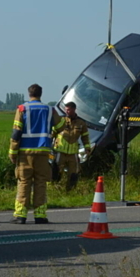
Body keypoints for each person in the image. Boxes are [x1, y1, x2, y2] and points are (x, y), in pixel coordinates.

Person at [8, 83, 61, 224]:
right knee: (41, 183)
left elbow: (16, 133)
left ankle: (20, 215)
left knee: (24, 183)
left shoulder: (22, 109)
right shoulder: (50, 110)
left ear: (29, 94)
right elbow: (61, 125)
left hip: (25, 153)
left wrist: (12, 153)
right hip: (43, 153)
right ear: (40, 94)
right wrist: (50, 131)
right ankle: (40, 215)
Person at [52, 101, 91, 191]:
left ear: (74, 109)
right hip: (60, 152)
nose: (67, 112)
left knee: (73, 173)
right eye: (66, 110)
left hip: (73, 153)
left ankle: (70, 191)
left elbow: (85, 136)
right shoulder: (61, 121)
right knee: (56, 171)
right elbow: (52, 133)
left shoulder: (81, 123)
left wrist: (87, 148)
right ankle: (55, 189)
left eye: (69, 110)